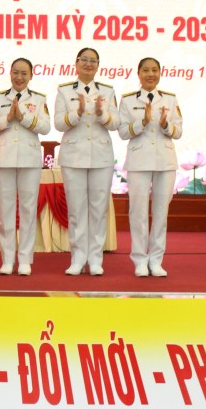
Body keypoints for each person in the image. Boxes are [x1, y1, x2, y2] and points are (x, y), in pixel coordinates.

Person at [0, 59, 51, 276]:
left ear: (31, 75)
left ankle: (25, 259)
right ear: (10, 73)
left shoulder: (39, 99)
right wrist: (7, 118)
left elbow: (46, 127)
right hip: (4, 158)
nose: (19, 77)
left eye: (24, 73)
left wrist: (24, 118)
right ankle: (7, 258)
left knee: (29, 210)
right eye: (16, 73)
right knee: (6, 210)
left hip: (29, 159)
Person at [54, 48, 118, 276]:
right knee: (77, 209)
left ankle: (96, 258)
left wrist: (103, 114)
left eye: (93, 61)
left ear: (98, 65)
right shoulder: (64, 91)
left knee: (98, 209)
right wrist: (77, 113)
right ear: (76, 63)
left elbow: (116, 124)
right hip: (74, 156)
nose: (89, 64)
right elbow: (59, 125)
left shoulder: (108, 91)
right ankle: (78, 257)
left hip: (101, 156)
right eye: (85, 60)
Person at [118, 57, 183, 277]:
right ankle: (139, 260)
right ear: (138, 73)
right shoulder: (128, 101)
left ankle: (156, 260)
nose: (150, 74)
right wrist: (142, 122)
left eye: (154, 70)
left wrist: (165, 125)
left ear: (160, 73)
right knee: (137, 212)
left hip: (165, 161)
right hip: (138, 161)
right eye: (146, 70)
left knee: (160, 212)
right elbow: (123, 132)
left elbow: (178, 131)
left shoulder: (170, 99)